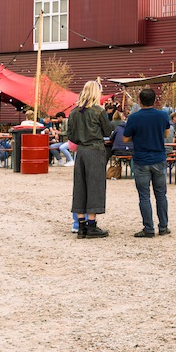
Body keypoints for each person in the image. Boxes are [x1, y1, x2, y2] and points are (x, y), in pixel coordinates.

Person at [66, 80, 115, 238]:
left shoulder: (74, 112)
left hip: (81, 151)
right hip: (95, 149)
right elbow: (108, 131)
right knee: (95, 186)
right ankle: (92, 225)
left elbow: (71, 135)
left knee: (80, 186)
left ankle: (81, 226)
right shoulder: (98, 111)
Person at [123, 87, 172, 238]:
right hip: (159, 157)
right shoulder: (162, 115)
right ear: (154, 100)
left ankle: (148, 228)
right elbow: (166, 134)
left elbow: (125, 138)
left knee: (144, 196)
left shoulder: (134, 118)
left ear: (139, 101)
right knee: (161, 195)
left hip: (141, 159)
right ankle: (163, 226)